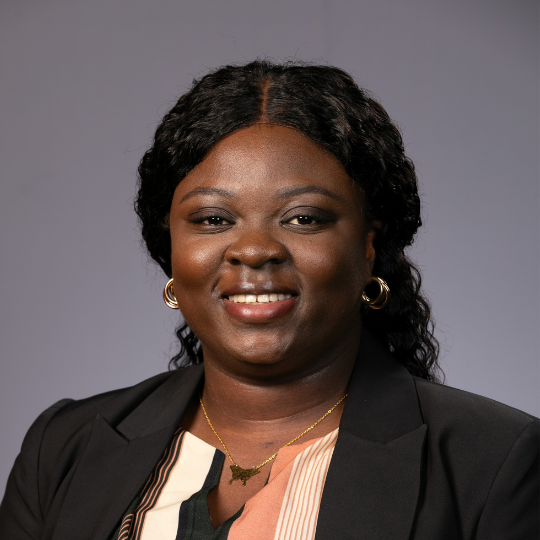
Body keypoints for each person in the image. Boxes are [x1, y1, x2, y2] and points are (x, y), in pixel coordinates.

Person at [0, 60, 537, 540]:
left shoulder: (495, 463)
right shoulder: (63, 448)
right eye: (213, 220)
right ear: (170, 250)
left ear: (369, 248)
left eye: (303, 218)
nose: (253, 250)